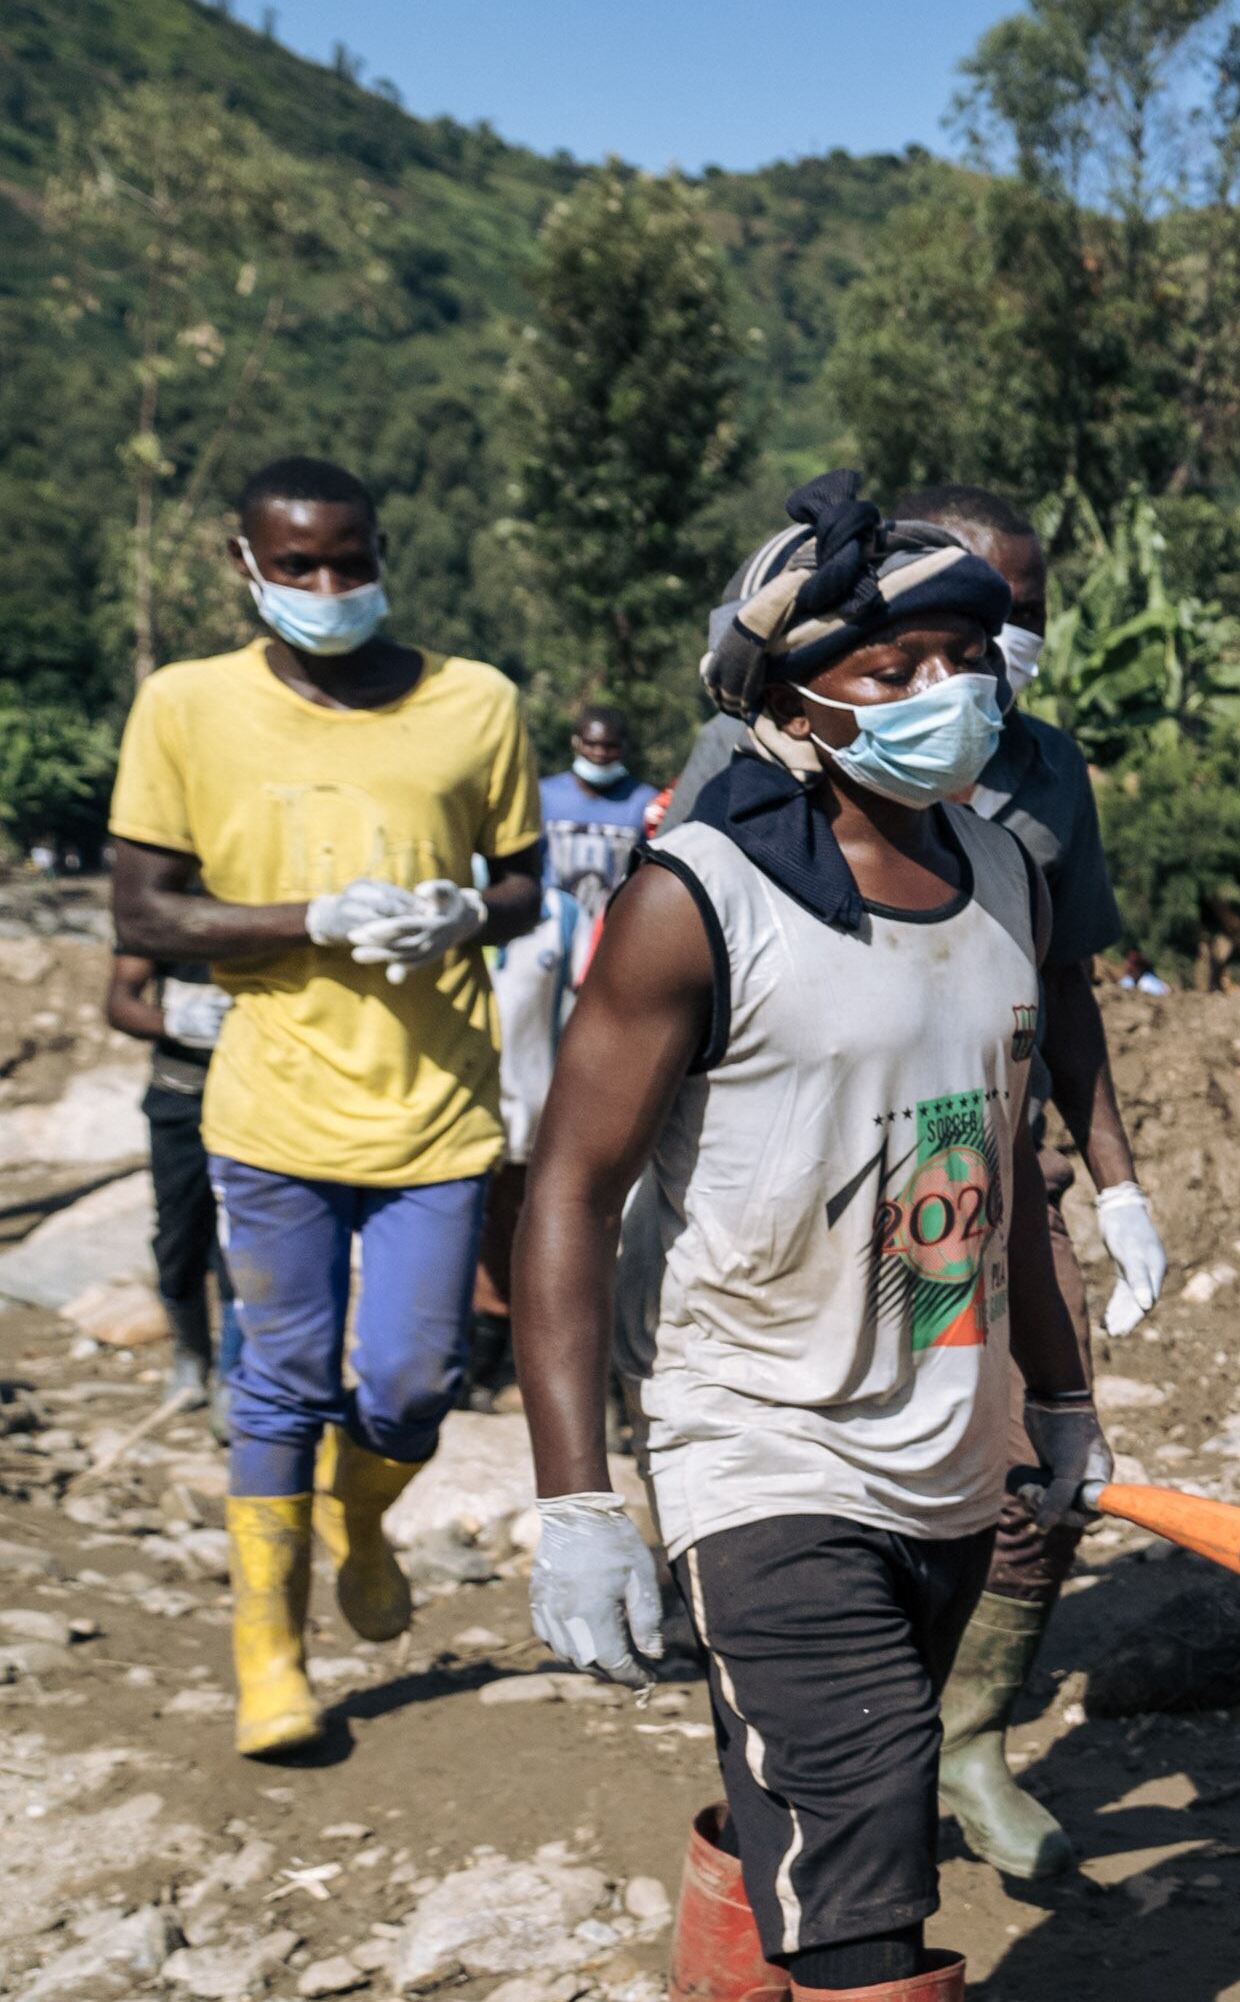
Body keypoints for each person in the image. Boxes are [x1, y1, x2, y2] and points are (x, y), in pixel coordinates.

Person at [514, 480, 1097, 2002]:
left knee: (807, 1778)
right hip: (751, 1432)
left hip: (944, 1430)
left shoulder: (1003, 868)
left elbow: (997, 1158)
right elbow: (569, 1186)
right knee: (867, 1807)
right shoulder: (698, 896)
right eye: (896, 665)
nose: (951, 691)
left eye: (966, 655)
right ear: (790, 702)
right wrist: (577, 1497)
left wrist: (1058, 1396)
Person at [668, 485, 1159, 1879]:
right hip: (805, 1200)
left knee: (999, 1467)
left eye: (1010, 626)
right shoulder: (759, 749)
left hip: (961, 1169)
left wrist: (1114, 1183)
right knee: (821, 1562)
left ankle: (967, 1737)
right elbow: (705, 954)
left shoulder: (1044, 775)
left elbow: (1066, 984)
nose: (977, 667)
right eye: (922, 647)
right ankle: (818, 1823)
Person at [109, 456, 544, 1759]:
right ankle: (270, 1656)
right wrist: (310, 917)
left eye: (349, 561)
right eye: (295, 564)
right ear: (244, 565)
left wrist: (464, 912)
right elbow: (143, 914)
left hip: (436, 1108)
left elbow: (524, 888)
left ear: (381, 554)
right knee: (279, 1382)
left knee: (413, 1382)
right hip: (272, 1107)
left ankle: (361, 1513)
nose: (326, 584)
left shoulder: (477, 701)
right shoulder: (186, 706)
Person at [479, 701, 660, 1399]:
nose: (600, 755)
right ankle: (489, 1339)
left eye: (611, 746)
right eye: (590, 744)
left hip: (610, 963)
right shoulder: (540, 804)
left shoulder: (644, 806)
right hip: (537, 971)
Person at [104, 950, 228, 1419]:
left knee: (244, 1245)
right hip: (182, 1100)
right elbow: (119, 1004)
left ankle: (235, 1374)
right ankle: (191, 1355)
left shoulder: (276, 915)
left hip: (261, 1102)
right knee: (178, 1238)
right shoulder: (164, 917)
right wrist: (173, 1022)